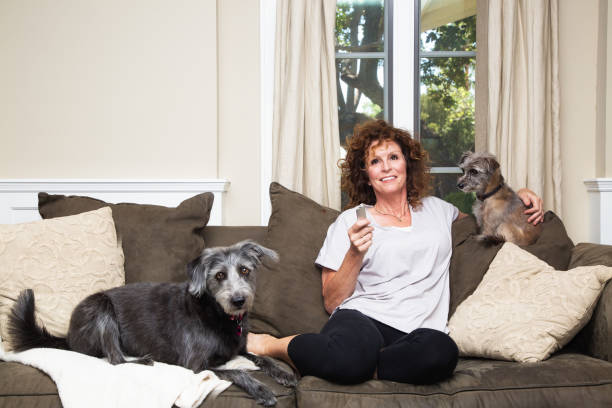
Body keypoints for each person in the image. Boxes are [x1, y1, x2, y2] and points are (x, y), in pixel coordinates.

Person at [248, 119, 544, 385]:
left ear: (407, 164)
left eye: (393, 157)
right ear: (366, 174)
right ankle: (270, 345)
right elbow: (332, 300)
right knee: (347, 357)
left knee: (441, 353)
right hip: (362, 318)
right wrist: (355, 253)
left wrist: (520, 195)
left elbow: (490, 211)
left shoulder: (438, 210)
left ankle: (365, 368)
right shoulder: (351, 221)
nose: (387, 167)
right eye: (376, 161)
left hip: (419, 331)